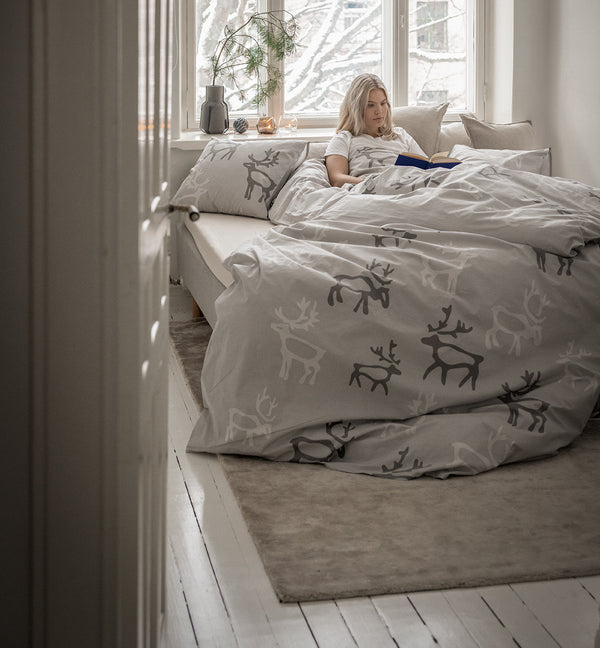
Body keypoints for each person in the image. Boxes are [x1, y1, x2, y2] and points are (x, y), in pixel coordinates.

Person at [325, 73, 425, 187]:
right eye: (370, 105)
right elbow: (337, 179)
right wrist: (379, 184)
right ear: (356, 108)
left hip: (409, 188)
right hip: (370, 191)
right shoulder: (344, 139)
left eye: (383, 103)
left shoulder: (401, 135)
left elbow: (427, 168)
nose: (379, 111)